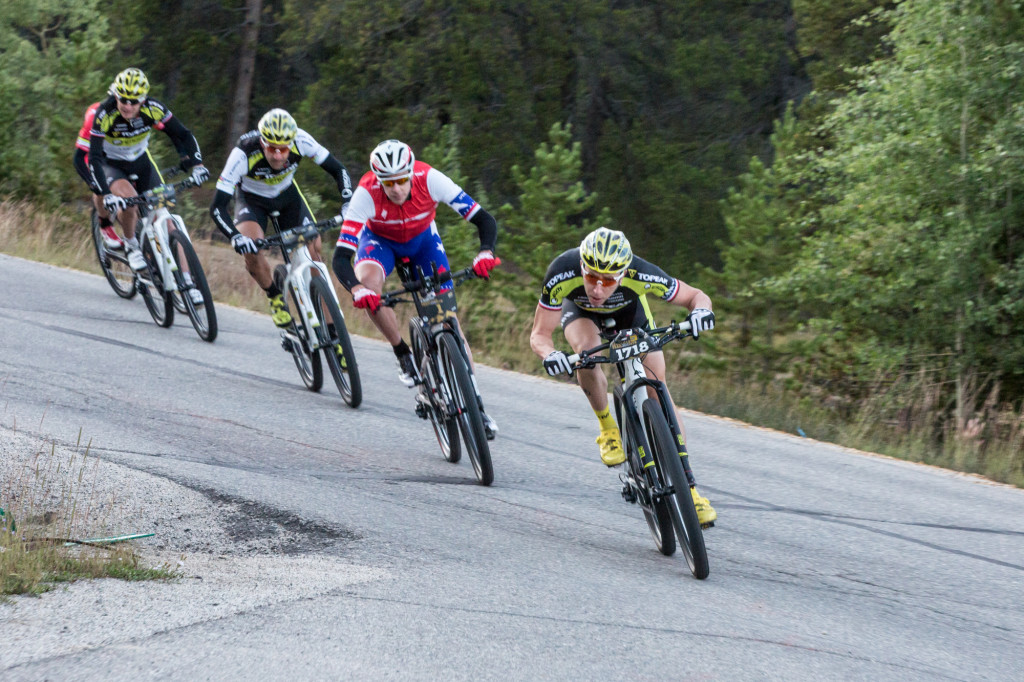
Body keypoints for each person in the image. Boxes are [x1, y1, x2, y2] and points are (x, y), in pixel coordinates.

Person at [528, 227, 717, 526]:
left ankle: (689, 491)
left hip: (632, 314)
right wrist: (550, 355)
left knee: (658, 387)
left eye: (608, 280)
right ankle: (608, 428)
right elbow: (539, 335)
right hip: (581, 316)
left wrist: (700, 313)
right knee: (586, 354)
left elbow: (696, 296)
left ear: (625, 273)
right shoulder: (562, 270)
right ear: (581, 268)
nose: (598, 289)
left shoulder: (642, 272)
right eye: (591, 277)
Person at [331, 139, 500, 438]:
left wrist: (485, 252)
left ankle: (477, 407)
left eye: (401, 180)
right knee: (370, 286)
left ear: (411, 172)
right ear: (378, 179)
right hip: (379, 242)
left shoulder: (431, 179)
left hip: (423, 243)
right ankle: (401, 351)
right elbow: (341, 258)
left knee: (450, 326)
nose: (396, 188)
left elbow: (484, 220)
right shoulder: (366, 194)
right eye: (388, 182)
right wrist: (358, 290)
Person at [210, 108, 353, 328]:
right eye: (272, 148)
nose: (278, 155)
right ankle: (274, 296)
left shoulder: (301, 140)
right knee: (252, 251)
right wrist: (235, 237)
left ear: (291, 143)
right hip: (252, 201)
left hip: (288, 197)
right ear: (262, 142)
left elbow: (338, 169)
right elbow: (217, 207)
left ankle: (334, 330)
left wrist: (347, 201)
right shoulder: (243, 153)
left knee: (313, 249)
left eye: (283, 149)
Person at [88, 68, 209, 276]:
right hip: (111, 164)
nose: (127, 105)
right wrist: (107, 194)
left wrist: (198, 166)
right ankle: (131, 244)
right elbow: (94, 157)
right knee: (130, 201)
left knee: (167, 221)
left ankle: (188, 282)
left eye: (134, 101)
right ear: (115, 95)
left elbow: (183, 134)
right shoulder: (104, 113)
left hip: (141, 162)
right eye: (123, 99)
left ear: (143, 100)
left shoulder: (154, 108)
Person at [73, 101, 120, 249]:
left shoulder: (131, 113)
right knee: (101, 184)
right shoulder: (95, 116)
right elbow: (78, 158)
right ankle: (104, 223)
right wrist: (92, 184)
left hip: (118, 154)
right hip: (94, 156)